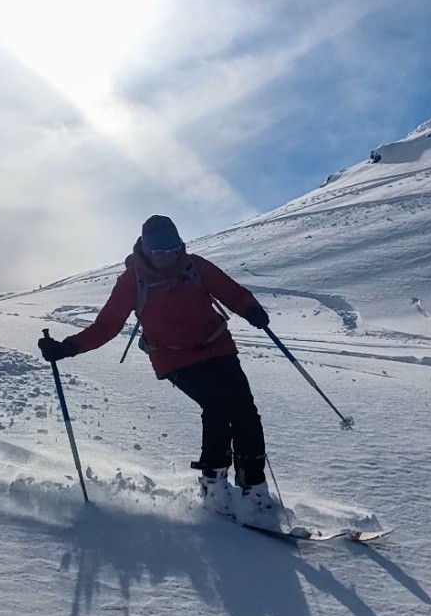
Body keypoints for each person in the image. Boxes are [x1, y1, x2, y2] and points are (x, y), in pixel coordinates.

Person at [38, 215, 284, 527]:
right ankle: (213, 486)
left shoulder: (194, 265)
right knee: (218, 404)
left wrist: (251, 309)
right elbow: (106, 326)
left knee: (245, 410)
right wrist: (67, 347)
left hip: (216, 345)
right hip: (174, 358)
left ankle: (253, 488)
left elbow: (231, 291)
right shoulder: (133, 280)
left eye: (173, 249)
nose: (167, 257)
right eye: (160, 251)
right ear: (146, 250)